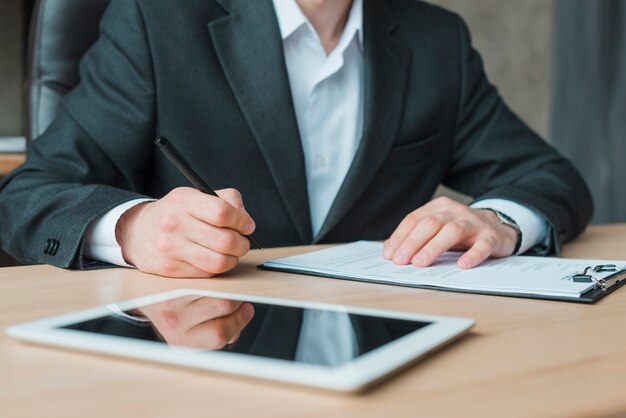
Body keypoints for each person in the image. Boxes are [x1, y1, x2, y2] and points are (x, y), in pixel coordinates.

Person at [0, 0, 592, 278]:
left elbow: (551, 178)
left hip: (387, 353)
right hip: (203, 352)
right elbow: (27, 193)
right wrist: (134, 229)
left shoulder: (436, 38)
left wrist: (501, 221)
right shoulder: (157, 21)